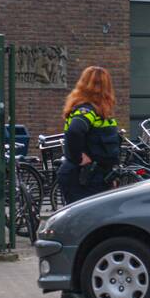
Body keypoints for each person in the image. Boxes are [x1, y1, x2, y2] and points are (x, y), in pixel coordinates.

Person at [57, 66, 122, 205]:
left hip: (96, 176)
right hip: (83, 178)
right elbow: (75, 130)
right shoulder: (86, 110)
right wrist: (78, 157)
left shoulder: (99, 112)